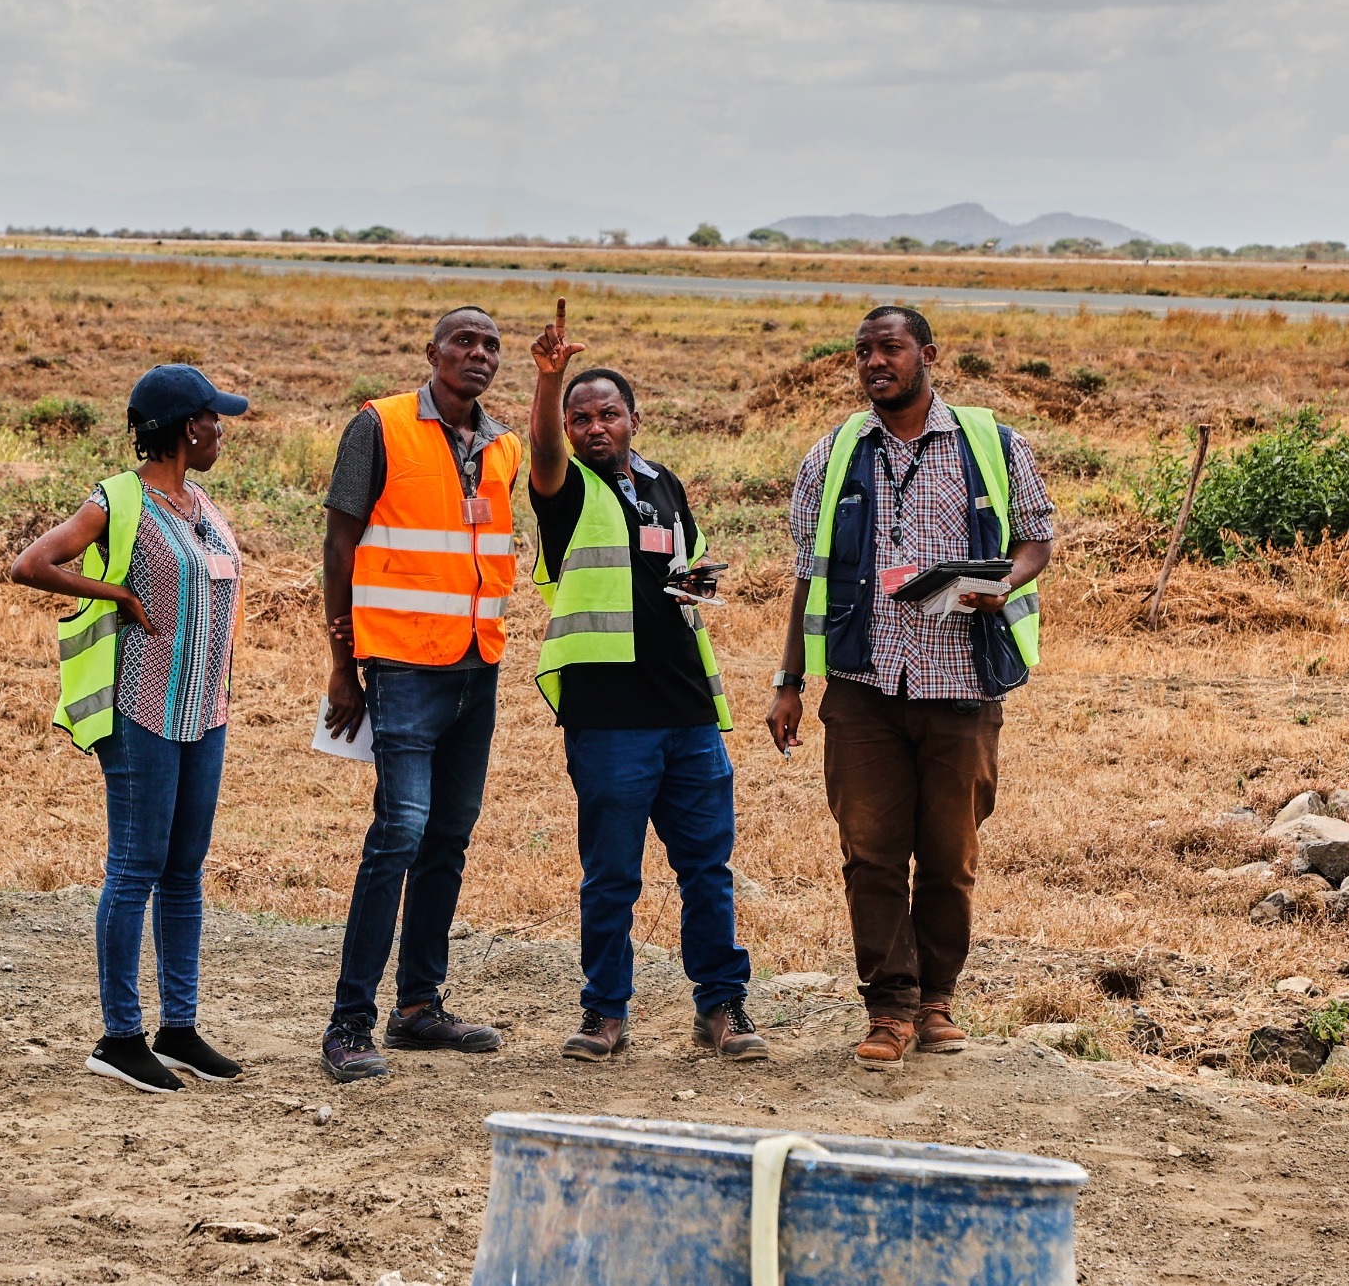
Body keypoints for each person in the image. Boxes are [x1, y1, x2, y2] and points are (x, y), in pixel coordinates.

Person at [765, 306, 1054, 1071]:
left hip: (962, 685)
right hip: (863, 685)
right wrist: (789, 680)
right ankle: (890, 1007)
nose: (874, 362)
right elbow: (808, 575)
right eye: (862, 351)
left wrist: (1005, 582)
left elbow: (1037, 536)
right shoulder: (833, 453)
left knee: (951, 857)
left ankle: (937, 1000)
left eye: (889, 348)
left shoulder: (992, 444)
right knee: (871, 854)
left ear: (927, 354)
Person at [524, 300, 766, 1065]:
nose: (594, 427)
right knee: (611, 876)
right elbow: (541, 452)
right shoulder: (565, 487)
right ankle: (604, 1012)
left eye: (608, 415)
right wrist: (548, 380)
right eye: (580, 417)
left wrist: (694, 583)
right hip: (608, 716)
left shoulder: (665, 483)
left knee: (707, 870)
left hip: (687, 709)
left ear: (634, 419)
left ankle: (721, 1006)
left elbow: (684, 565)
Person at [11, 363, 251, 1096]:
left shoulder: (201, 502)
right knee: (136, 867)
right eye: (213, 419)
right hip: (141, 709)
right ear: (185, 428)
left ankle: (179, 1028)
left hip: (204, 710)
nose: (220, 431)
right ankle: (119, 1038)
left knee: (185, 870)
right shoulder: (118, 500)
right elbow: (32, 564)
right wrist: (114, 592)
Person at [317, 305, 524, 1082]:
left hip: (477, 666)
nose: (479, 354)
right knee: (399, 830)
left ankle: (417, 1008)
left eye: (491, 345)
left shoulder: (502, 445)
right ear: (433, 352)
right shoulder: (379, 426)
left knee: (448, 837)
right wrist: (343, 664)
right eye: (464, 341)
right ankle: (348, 1022)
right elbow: (339, 545)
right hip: (401, 667)